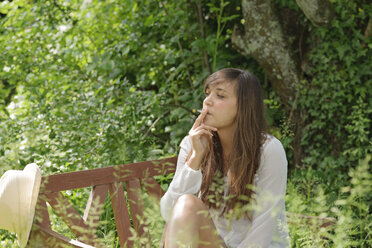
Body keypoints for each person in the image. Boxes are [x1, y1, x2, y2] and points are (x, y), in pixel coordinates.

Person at [160, 68, 290, 248]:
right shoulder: (193, 144)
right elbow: (169, 214)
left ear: (244, 106)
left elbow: (264, 228)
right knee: (187, 203)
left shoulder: (268, 150)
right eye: (207, 94)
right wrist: (196, 158)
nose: (207, 102)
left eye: (220, 96)